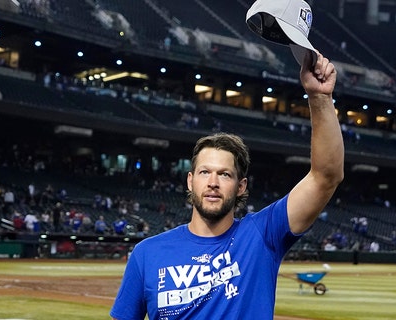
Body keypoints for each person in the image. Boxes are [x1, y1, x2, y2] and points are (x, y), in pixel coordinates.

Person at [110, 4, 343, 319]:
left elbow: (325, 177)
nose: (213, 182)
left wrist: (319, 98)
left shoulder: (263, 235)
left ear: (241, 186)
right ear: (190, 180)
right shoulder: (147, 254)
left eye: (225, 174)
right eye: (205, 172)